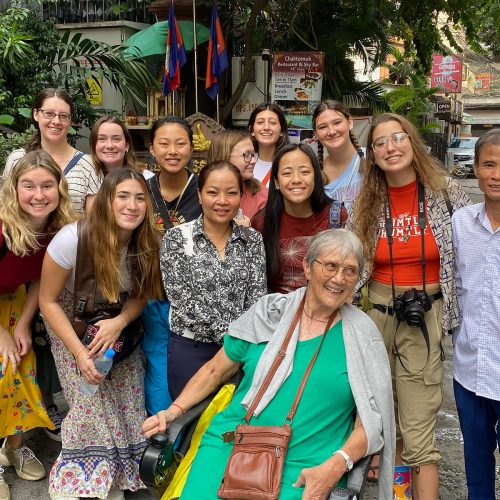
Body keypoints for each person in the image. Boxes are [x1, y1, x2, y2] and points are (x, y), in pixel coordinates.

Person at [143, 229, 396, 500]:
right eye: (331, 266)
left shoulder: (362, 337)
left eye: (350, 271)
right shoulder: (269, 313)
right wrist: (172, 412)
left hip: (305, 467)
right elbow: (214, 370)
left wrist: (337, 465)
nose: (339, 278)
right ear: (307, 268)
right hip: (232, 446)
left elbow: (369, 424)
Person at [349, 113, 470, 499]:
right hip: (376, 316)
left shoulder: (446, 191)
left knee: (418, 430)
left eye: (397, 138)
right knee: (381, 424)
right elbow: (351, 262)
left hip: (425, 315)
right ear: (373, 155)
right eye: (380, 142)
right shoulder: (365, 201)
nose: (390, 147)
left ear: (412, 142)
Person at [39, 168, 163, 500]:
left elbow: (141, 295)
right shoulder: (73, 238)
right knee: (90, 394)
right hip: (71, 321)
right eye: (123, 196)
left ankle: (123, 475)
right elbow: (47, 301)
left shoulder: (146, 240)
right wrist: (79, 354)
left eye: (140, 198)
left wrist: (120, 321)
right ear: (107, 200)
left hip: (117, 323)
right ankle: (86, 481)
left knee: (126, 398)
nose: (132, 205)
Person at [0, 151, 76, 500]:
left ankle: (13, 447)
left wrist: (23, 325)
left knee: (23, 372)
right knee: (2, 371)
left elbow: (38, 282)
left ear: (59, 189)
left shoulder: (57, 229)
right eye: (28, 186)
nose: (38, 194)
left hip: (17, 300)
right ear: (14, 189)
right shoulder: (2, 228)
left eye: (47, 185)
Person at [161, 160, 267, 400]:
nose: (222, 201)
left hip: (242, 353)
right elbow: (183, 302)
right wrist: (232, 337)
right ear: (199, 195)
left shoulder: (253, 240)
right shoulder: (177, 238)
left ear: (241, 196)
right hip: (192, 350)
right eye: (212, 192)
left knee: (235, 428)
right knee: (191, 428)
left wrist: (240, 344)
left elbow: (257, 298)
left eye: (231, 193)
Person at [452, 129, 500, 500]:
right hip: (469, 370)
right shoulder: (460, 223)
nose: (496, 174)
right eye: (489, 164)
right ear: (477, 170)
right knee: (477, 469)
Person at [252, 142, 342, 294]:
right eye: (287, 173)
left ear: (316, 177)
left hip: (328, 311)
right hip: (278, 312)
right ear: (276, 182)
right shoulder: (262, 223)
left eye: (305, 172)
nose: (296, 180)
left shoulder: (337, 217)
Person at [3, 88, 102, 214]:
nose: (56, 121)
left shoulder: (87, 165)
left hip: (74, 233)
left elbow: (94, 221)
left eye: (63, 116)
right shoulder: (17, 159)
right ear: (35, 114)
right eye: (49, 114)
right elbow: (7, 209)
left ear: (71, 120)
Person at [146, 116, 201, 233]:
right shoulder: (142, 190)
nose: (172, 151)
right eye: (164, 144)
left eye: (180, 144)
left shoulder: (205, 189)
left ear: (191, 148)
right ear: (152, 149)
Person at [312, 100, 365, 221]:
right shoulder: (314, 172)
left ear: (350, 122)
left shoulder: (373, 158)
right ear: (315, 133)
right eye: (323, 127)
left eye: (337, 123)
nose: (331, 131)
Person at [206, 129, 268, 221]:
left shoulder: (261, 195)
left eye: (253, 155)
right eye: (247, 155)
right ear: (225, 156)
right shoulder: (200, 192)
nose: (253, 161)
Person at [89, 116, 155, 179]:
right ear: (94, 144)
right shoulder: (85, 177)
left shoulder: (146, 178)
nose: (109, 146)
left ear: (127, 145)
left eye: (116, 139)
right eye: (102, 139)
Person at [247, 102, 289, 188]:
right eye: (260, 122)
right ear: (252, 130)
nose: (266, 127)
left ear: (282, 131)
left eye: (272, 123)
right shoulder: (245, 164)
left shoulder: (288, 164)